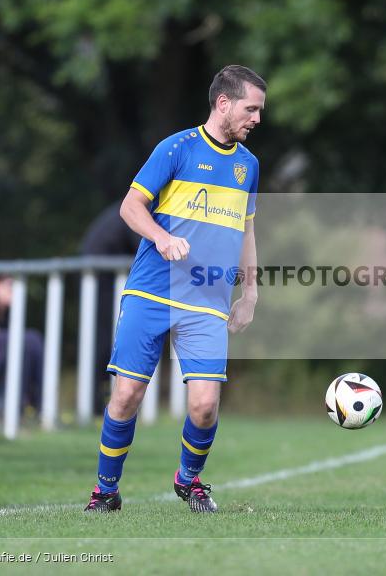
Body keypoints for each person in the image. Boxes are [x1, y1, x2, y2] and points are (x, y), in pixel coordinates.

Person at [85, 65, 265, 513]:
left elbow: (247, 233)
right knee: (126, 395)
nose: (257, 118)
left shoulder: (249, 166)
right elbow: (131, 207)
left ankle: (189, 480)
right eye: (251, 108)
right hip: (152, 292)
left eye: (260, 110)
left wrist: (251, 293)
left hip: (207, 300)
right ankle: (106, 490)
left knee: (205, 405)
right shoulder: (176, 149)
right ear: (223, 103)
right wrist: (162, 238)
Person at [79, 202, 141, 415]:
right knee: (103, 341)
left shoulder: (125, 208)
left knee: (104, 340)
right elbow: (143, 247)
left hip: (101, 274)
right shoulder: (138, 210)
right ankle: (97, 402)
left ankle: (100, 400)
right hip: (101, 277)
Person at [0, 275, 44, 415]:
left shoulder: (8, 312)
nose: (13, 290)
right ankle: (37, 405)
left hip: (1, 354)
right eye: (8, 285)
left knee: (28, 347)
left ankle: (28, 407)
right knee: (32, 339)